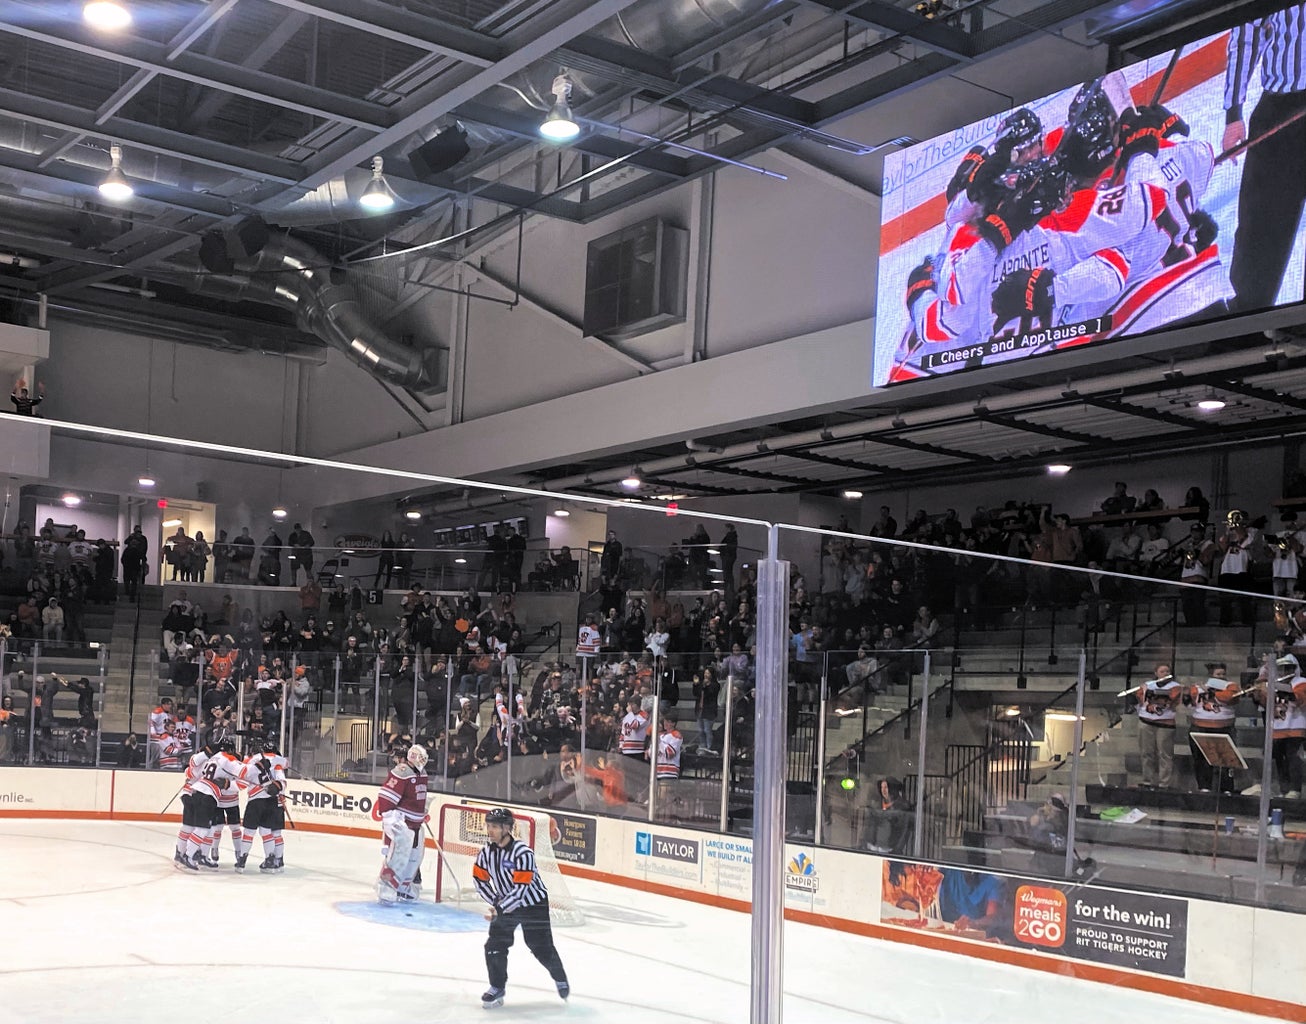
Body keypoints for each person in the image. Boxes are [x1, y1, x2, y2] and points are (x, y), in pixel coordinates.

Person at [1223, 5, 1306, 313]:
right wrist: (1234, 113)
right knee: (1258, 238)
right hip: (1279, 111)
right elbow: (1246, 33)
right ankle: (1240, 337)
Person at [473, 807, 570, 1009]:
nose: (490, 831)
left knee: (539, 947)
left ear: (507, 828)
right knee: (494, 946)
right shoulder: (485, 852)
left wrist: (499, 909)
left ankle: (559, 975)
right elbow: (479, 880)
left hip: (533, 905)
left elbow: (521, 890)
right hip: (504, 904)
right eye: (488, 826)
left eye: (495, 827)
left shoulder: (523, 853)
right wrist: (495, 902)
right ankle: (497, 987)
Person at [375, 741, 429, 903]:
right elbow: (386, 795)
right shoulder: (402, 771)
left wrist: (423, 810)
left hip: (416, 824)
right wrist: (389, 817)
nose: (424, 761)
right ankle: (386, 887)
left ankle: (404, 887)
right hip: (401, 822)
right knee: (399, 856)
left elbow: (417, 797)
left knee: (415, 856)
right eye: (422, 758)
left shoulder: (422, 773)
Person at [1187, 663, 1241, 795]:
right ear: (1211, 675)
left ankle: (1227, 788)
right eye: (1218, 674)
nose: (1221, 676)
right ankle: (1204, 786)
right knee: (1201, 759)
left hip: (1224, 727)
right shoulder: (1197, 687)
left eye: (1223, 674)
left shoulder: (1231, 686)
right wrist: (1206, 690)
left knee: (1226, 759)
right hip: (1201, 726)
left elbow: (1230, 697)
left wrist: (1211, 691)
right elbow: (1192, 697)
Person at [237, 738, 288, 873]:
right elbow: (282, 780)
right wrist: (279, 789)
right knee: (269, 832)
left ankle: (241, 862)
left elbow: (242, 774)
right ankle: (273, 860)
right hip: (273, 800)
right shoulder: (278, 761)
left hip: (255, 800)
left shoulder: (251, 760)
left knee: (248, 832)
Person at [1137, 663, 1182, 789]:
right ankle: (1147, 780)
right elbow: (1141, 698)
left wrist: (1152, 694)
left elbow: (1170, 699)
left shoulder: (1175, 687)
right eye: (1162, 671)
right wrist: (1144, 691)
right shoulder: (1148, 684)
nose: (1165, 673)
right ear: (1156, 673)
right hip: (1146, 721)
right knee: (1146, 752)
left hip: (1165, 724)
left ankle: (1164, 783)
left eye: (1167, 671)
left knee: (1165, 754)